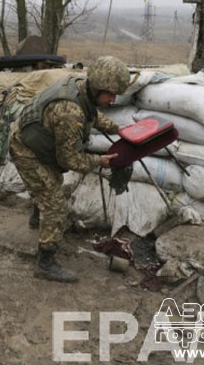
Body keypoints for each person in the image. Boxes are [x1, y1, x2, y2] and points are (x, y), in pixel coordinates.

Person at [9, 55, 130, 283]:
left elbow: (91, 115)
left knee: (51, 183)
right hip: (28, 151)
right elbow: (70, 161)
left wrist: (117, 128)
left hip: (38, 141)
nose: (113, 100)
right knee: (56, 206)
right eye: (110, 94)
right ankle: (45, 263)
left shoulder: (79, 87)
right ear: (97, 88)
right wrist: (99, 161)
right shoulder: (69, 112)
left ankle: (38, 217)